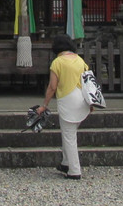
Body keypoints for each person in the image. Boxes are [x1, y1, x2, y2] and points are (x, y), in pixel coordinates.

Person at [35, 34, 90, 180]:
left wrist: (44, 105)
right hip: (82, 100)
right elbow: (89, 83)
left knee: (69, 137)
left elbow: (52, 86)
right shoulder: (80, 60)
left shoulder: (58, 62)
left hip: (68, 100)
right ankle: (66, 163)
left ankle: (74, 170)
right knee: (69, 133)